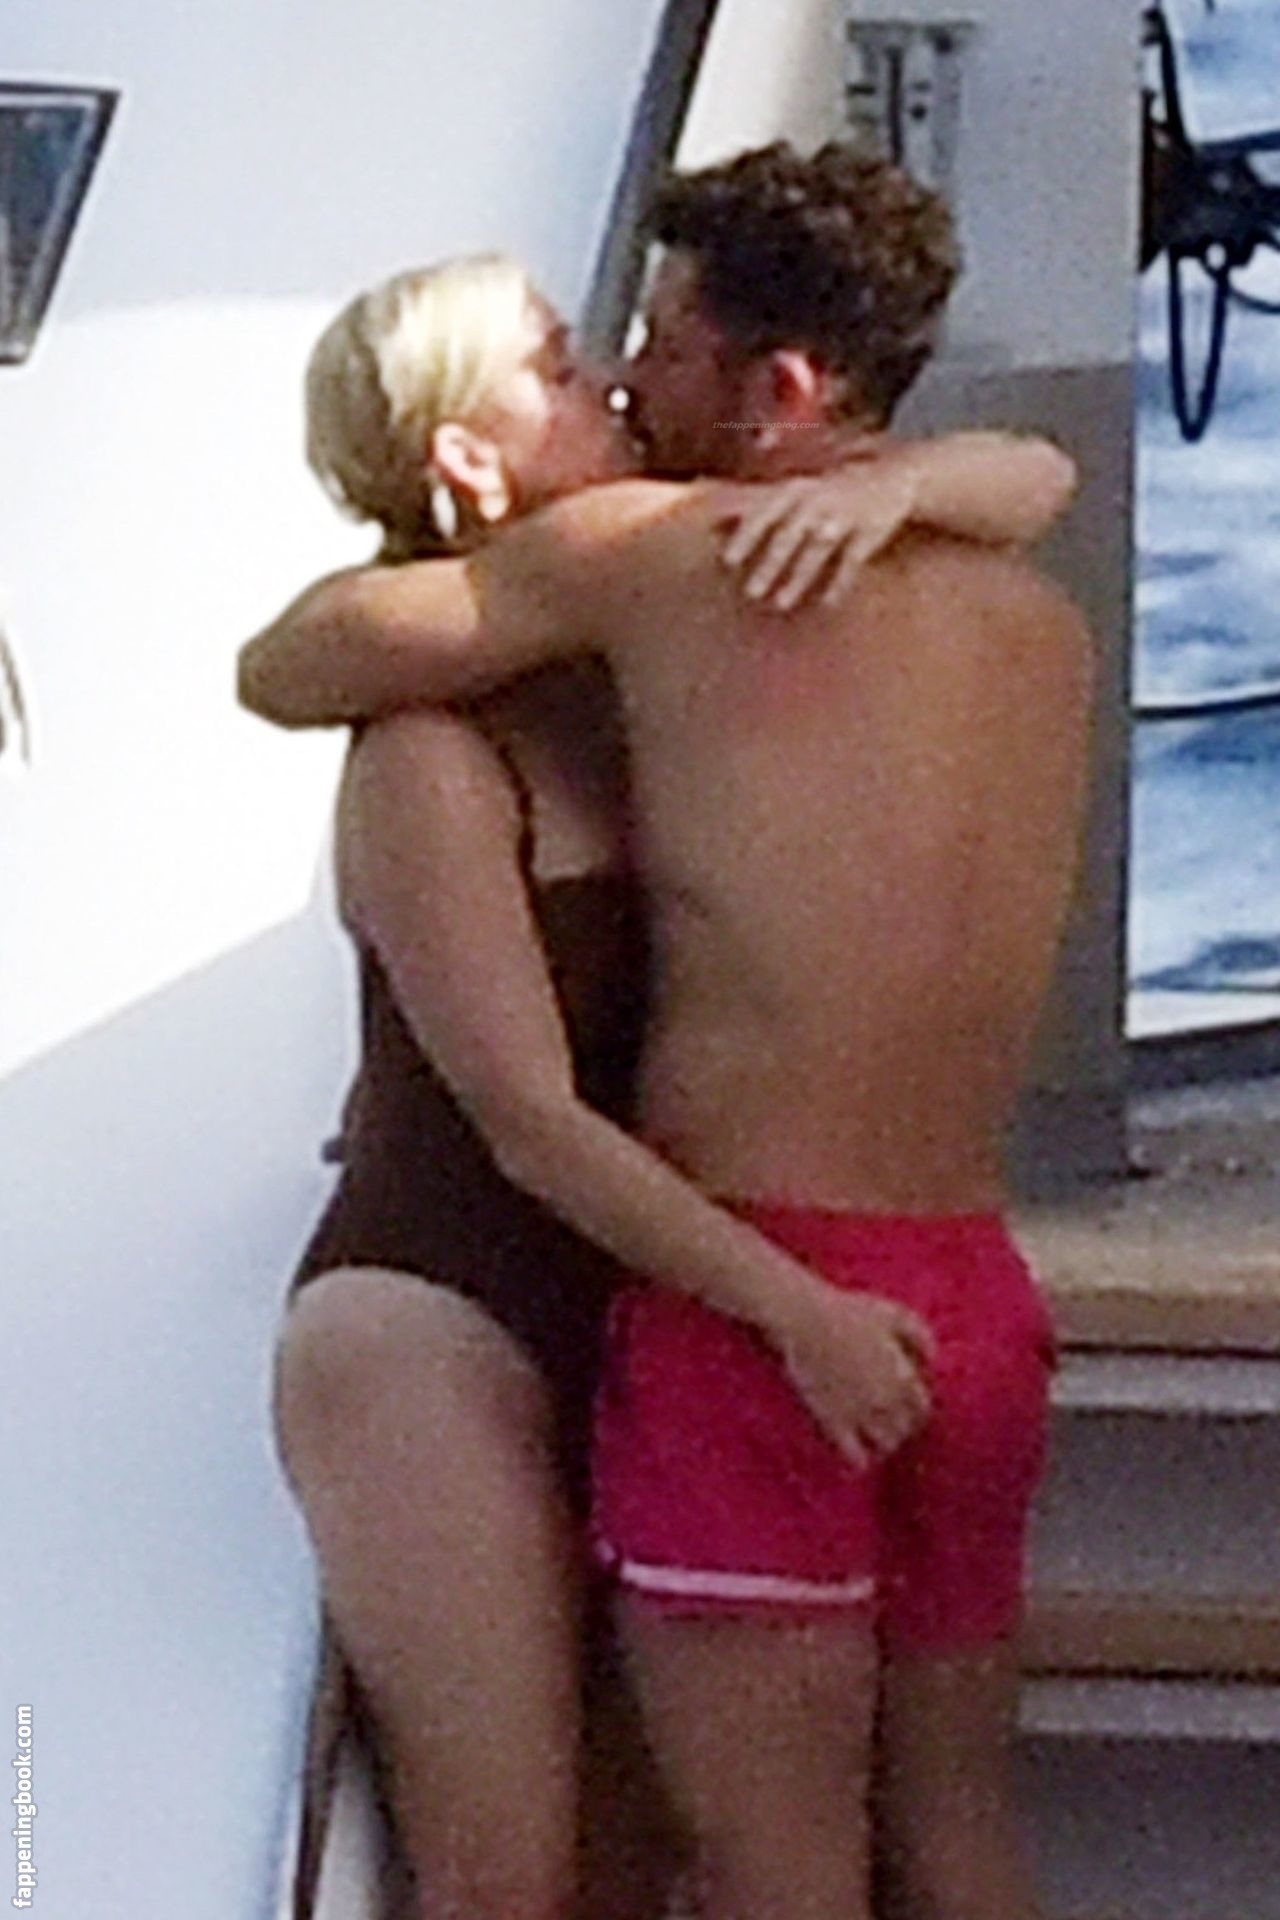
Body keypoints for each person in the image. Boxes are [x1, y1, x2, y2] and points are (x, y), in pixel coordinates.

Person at [247, 178, 1080, 1920]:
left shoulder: (656, 601)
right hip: (519, 1295)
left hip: (728, 1299)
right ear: (465, 461)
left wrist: (915, 482)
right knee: (558, 1867)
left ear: (778, 389)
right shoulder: (1011, 621)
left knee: (728, 1865)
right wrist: (929, 481)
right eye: (567, 365)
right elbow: (283, 666)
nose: (620, 381)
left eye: (640, 345)